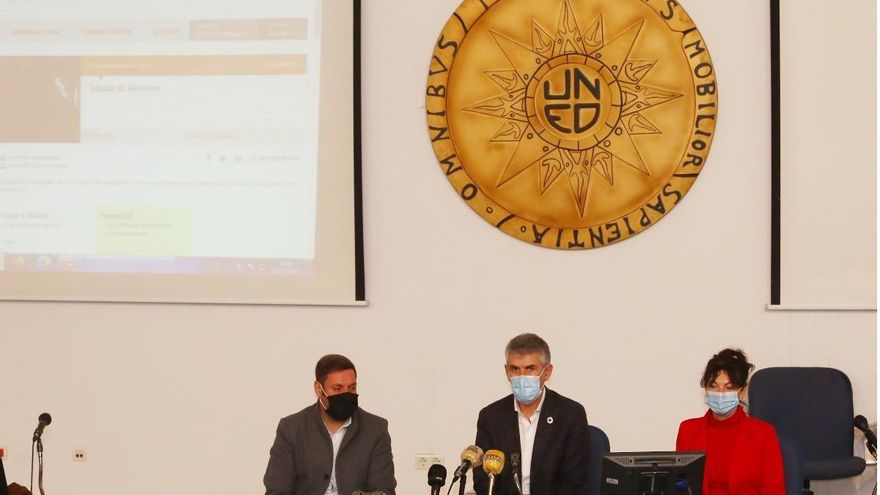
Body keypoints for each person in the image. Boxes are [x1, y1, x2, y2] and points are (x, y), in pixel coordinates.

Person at [473, 333, 590, 495]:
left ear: (547, 372)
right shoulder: (491, 417)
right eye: (515, 369)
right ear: (507, 372)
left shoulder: (570, 414)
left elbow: (575, 483)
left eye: (530, 369)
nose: (522, 377)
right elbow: (483, 481)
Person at [263, 354, 396, 495]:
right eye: (338, 388)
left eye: (351, 388)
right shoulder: (291, 428)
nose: (346, 394)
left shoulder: (375, 429)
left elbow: (384, 489)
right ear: (318, 389)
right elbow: (277, 489)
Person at [676, 348, 785, 495]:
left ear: (742, 391)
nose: (720, 393)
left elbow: (774, 491)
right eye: (713, 386)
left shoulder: (763, 434)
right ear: (705, 389)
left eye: (729, 387)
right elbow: (681, 487)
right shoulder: (688, 430)